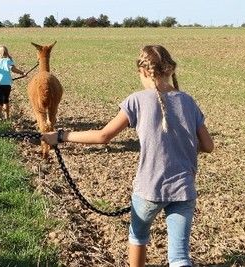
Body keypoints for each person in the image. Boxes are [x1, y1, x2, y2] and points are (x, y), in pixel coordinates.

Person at [41, 45, 214, 267]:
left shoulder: (137, 100)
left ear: (143, 71)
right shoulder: (188, 101)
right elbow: (208, 146)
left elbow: (103, 135)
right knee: (179, 257)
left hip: (149, 189)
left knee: (138, 238)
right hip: (184, 190)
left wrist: (62, 136)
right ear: (170, 70)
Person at [0, 46, 26, 122]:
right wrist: (22, 73)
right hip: (7, 83)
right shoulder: (8, 60)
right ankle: (7, 117)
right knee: (6, 100)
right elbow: (13, 69)